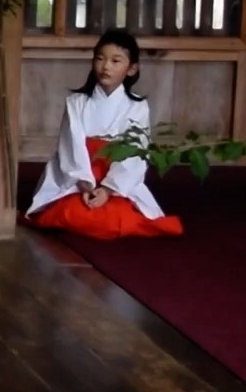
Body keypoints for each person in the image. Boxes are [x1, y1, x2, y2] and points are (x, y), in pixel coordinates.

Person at [27, 29, 184, 240]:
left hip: (116, 177)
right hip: (81, 176)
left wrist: (108, 190)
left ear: (131, 69)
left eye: (115, 60)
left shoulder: (138, 107)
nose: (106, 66)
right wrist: (86, 184)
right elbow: (71, 146)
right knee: (72, 211)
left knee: (115, 217)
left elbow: (134, 154)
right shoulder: (76, 103)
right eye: (100, 59)